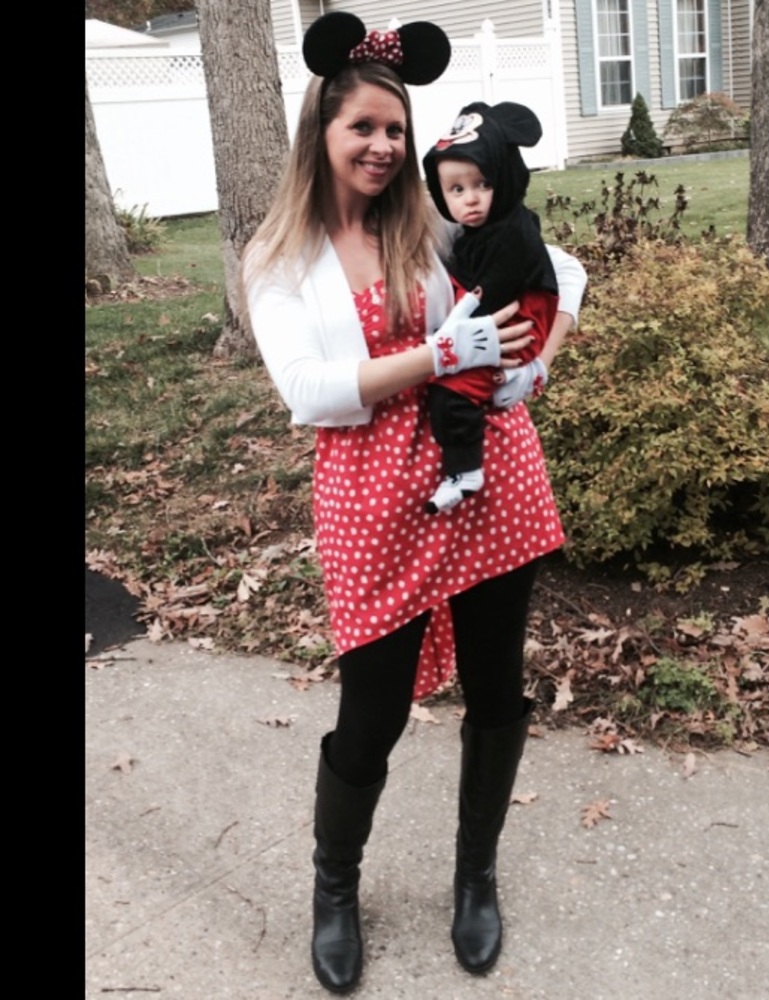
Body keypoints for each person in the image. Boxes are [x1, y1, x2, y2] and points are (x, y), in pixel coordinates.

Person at [241, 12, 586, 996]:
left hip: (484, 475)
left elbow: (555, 274)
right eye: (364, 127)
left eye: (396, 128)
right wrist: (438, 355)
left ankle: (475, 875)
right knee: (373, 709)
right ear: (322, 133)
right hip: (370, 498)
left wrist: (535, 362)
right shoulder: (280, 257)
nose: (384, 145)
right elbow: (309, 390)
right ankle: (334, 886)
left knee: (495, 686)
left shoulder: (432, 226)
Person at [421, 101, 558, 514]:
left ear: (504, 176)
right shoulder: (477, 230)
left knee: (455, 393)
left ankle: (465, 471)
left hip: (516, 319)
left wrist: (537, 365)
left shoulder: (511, 231)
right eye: (457, 190)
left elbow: (490, 293)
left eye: (483, 184)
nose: (471, 199)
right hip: (491, 318)